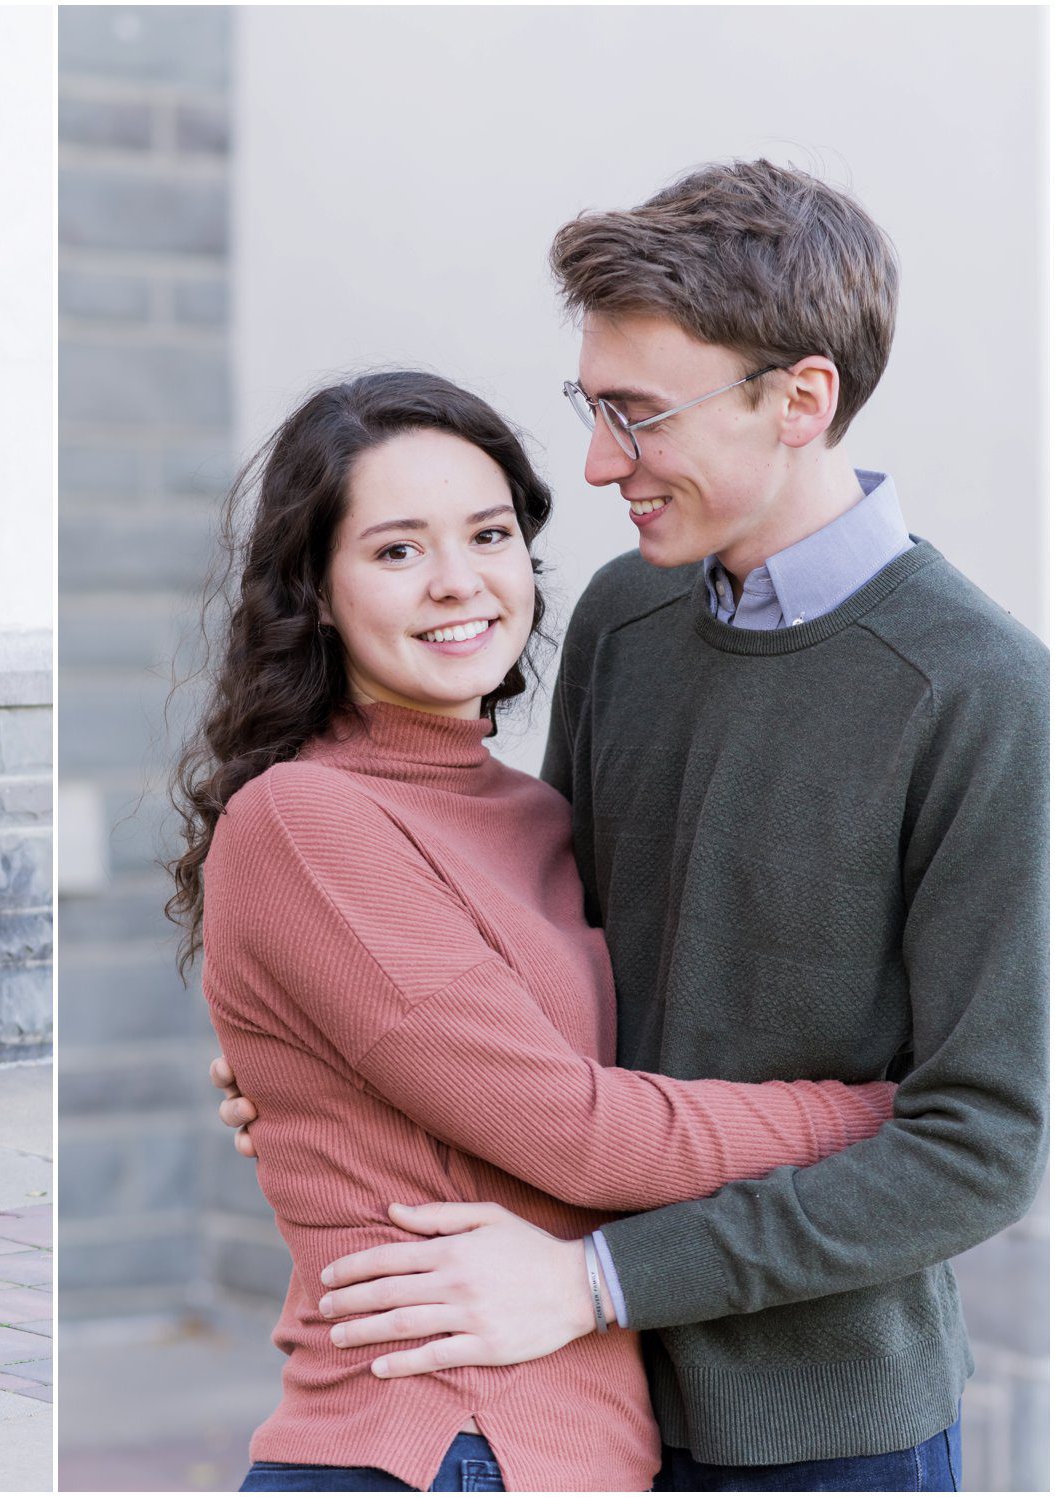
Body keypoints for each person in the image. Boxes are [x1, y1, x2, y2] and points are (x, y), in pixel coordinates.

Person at [214, 161, 1048, 1491]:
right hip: (569, 1399)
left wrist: (606, 1277)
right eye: (592, 409)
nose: (601, 463)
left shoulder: (979, 688)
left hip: (820, 1422)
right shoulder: (625, 618)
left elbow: (983, 1148)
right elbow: (563, 958)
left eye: (638, 415)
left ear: (800, 399)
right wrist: (327, 1067)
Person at [174, 368, 900, 1492]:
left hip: (567, 1442)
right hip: (438, 1441)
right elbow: (581, 1135)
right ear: (314, 589)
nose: (457, 584)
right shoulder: (303, 819)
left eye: (489, 533)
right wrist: (894, 1113)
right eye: (396, 550)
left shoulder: (533, 817)